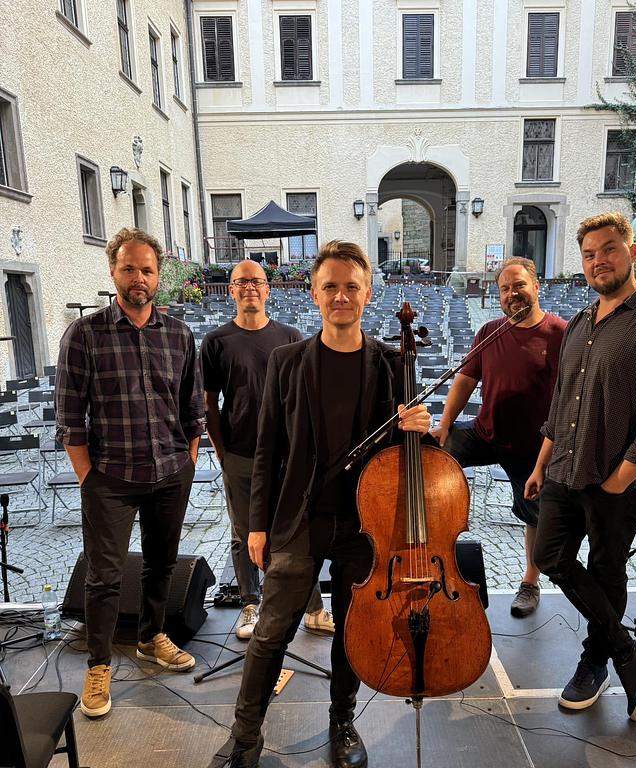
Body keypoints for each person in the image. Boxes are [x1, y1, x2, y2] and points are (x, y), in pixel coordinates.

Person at [209, 241, 431, 768]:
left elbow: (412, 460)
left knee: (352, 631)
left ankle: (342, 721)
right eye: (330, 286)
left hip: (367, 524)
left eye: (351, 286)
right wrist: (257, 525)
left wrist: (422, 430)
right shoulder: (286, 362)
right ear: (314, 294)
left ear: (368, 293)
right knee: (271, 631)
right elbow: (267, 449)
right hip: (298, 518)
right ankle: (245, 735)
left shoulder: (394, 364)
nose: (340, 296)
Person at [525, 212, 636, 721]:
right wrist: (540, 464)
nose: (599, 261)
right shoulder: (579, 322)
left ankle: (595, 661)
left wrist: (620, 480)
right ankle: (624, 649)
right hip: (563, 469)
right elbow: (560, 404)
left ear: (631, 252)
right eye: (589, 254)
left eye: (609, 249)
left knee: (605, 568)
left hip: (616, 478)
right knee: (550, 556)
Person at [55, 227, 204, 718]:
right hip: (110, 478)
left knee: (162, 564)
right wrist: (89, 478)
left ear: (159, 276)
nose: (138, 278)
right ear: (113, 271)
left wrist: (188, 463)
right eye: (129, 269)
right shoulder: (84, 334)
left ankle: (151, 637)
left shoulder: (179, 335)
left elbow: (193, 411)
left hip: (170, 472)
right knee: (104, 576)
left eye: (147, 270)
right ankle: (99, 665)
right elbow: (70, 418)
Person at [200, 259, 334, 639]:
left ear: (267, 289)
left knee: (297, 532)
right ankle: (250, 604)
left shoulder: (290, 336)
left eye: (256, 281)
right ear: (231, 290)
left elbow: (308, 399)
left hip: (288, 457)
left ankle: (313, 609)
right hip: (240, 454)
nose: (249, 288)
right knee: (244, 533)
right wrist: (223, 454)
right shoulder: (216, 342)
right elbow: (209, 404)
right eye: (241, 282)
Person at [432, 258, 566, 617]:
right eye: (504, 288)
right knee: (428, 452)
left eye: (519, 285)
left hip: (533, 448)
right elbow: (465, 380)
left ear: (536, 286)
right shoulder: (490, 331)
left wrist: (549, 457)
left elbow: (570, 399)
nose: (512, 293)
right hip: (485, 433)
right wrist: (445, 424)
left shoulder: (560, 333)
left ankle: (530, 583)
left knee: (534, 516)